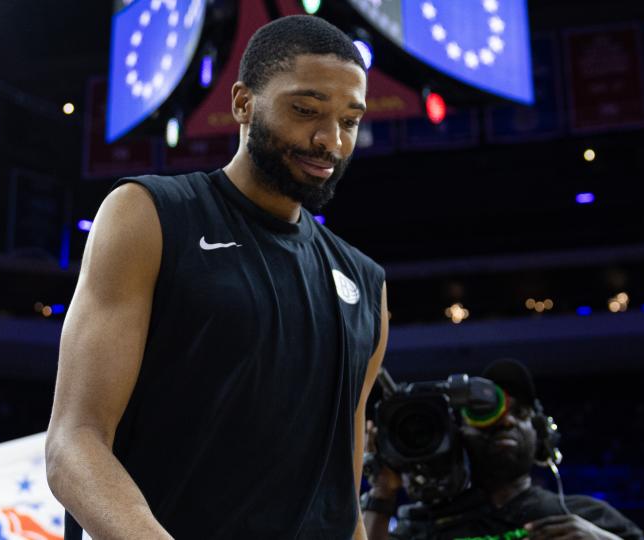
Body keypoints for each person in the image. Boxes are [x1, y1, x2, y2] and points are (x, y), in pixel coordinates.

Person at [45, 14, 389, 540]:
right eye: (305, 111)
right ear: (243, 103)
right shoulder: (151, 214)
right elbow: (74, 442)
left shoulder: (365, 284)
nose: (331, 140)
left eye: (350, 121)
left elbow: (341, 498)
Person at [363, 360, 643, 540]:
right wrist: (383, 491)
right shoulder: (425, 524)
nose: (506, 420)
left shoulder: (587, 517)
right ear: (459, 435)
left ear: (542, 436)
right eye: (485, 416)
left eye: (520, 413)